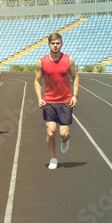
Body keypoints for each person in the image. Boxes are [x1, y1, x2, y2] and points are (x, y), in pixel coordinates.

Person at [34, 32, 79, 169]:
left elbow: (75, 77)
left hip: (65, 101)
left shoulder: (68, 60)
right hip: (49, 102)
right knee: (51, 132)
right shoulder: (41, 61)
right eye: (52, 43)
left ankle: (65, 140)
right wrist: (40, 98)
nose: (55, 46)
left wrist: (74, 96)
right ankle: (53, 158)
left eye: (57, 43)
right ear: (48, 44)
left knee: (64, 133)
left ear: (61, 44)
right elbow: (37, 81)